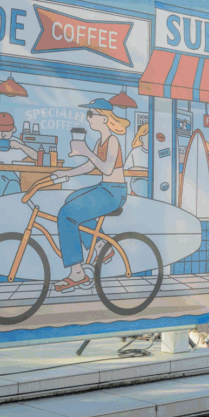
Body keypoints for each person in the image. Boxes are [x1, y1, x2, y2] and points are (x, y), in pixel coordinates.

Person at [50, 100, 130, 291]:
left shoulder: (112, 141)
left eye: (91, 114)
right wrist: (66, 173)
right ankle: (102, 246)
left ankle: (77, 272)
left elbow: (107, 168)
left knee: (66, 214)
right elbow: (89, 166)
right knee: (71, 201)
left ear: (104, 118)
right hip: (106, 187)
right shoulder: (100, 141)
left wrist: (86, 151)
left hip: (114, 192)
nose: (88, 118)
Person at [125, 123, 149, 196]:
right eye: (148, 136)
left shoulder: (156, 153)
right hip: (138, 181)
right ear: (141, 138)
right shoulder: (135, 151)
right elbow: (127, 169)